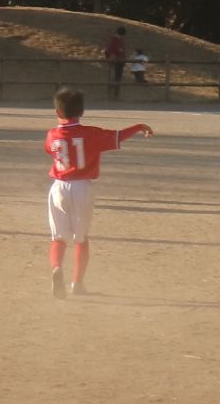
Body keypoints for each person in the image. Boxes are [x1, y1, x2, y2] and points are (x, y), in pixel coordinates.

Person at [45, 86, 154, 298]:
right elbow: (118, 136)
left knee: (58, 238)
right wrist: (139, 126)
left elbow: (50, 149)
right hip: (82, 187)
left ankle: (57, 268)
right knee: (81, 238)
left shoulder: (52, 135)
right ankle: (77, 283)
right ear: (82, 112)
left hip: (58, 187)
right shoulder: (91, 133)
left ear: (57, 112)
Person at [102, 28, 130, 97]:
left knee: (118, 78)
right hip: (117, 60)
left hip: (120, 60)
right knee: (116, 77)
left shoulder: (119, 39)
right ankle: (113, 93)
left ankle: (115, 94)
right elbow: (109, 50)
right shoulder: (115, 39)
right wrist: (115, 53)